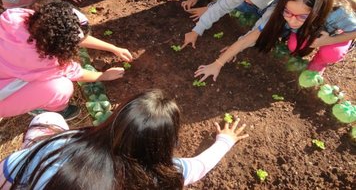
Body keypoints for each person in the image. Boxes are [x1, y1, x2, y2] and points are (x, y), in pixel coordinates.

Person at [0, 89, 249, 189]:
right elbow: (199, 166)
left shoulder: (64, 143)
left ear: (114, 120)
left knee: (48, 120)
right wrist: (225, 140)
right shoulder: (160, 175)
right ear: (164, 143)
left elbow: (7, 169)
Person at [194, 0, 356, 82]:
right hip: (310, 32)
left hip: (336, 36)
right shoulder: (281, 9)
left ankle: (321, 61)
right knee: (293, 45)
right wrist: (218, 63)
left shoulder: (339, 14)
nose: (292, 21)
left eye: (301, 16)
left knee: (331, 53)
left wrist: (326, 41)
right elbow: (252, 36)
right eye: (288, 12)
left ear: (319, 11)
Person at [0, 1, 133, 119]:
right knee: (62, 87)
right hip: (2, 97)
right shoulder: (45, 62)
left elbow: (63, 33)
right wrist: (103, 76)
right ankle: (52, 111)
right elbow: (77, 73)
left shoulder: (15, 17)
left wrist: (113, 48)